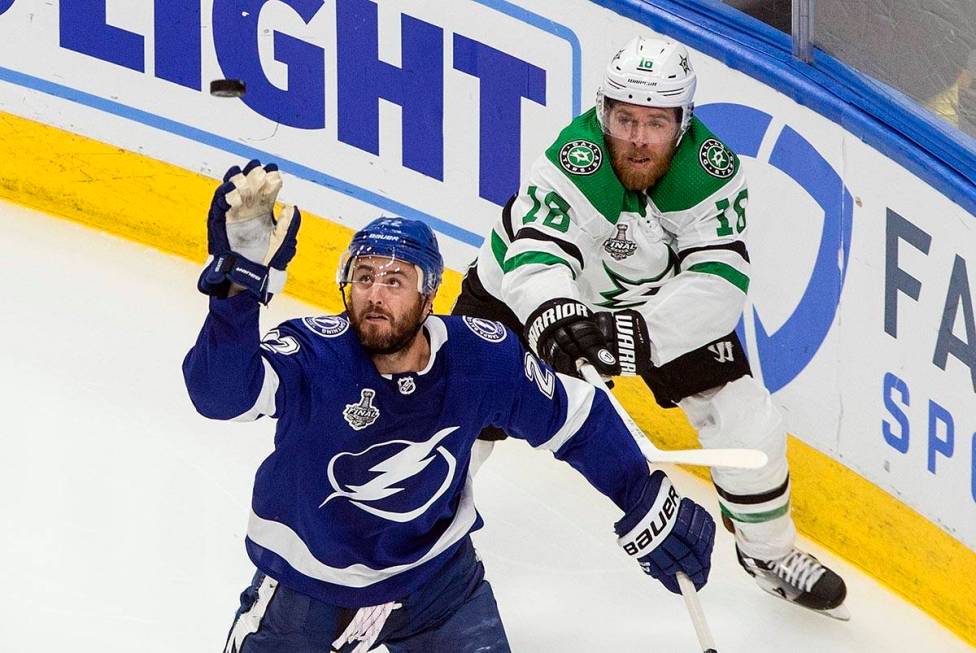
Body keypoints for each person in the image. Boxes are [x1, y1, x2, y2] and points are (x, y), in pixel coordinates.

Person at [183, 160, 716, 652]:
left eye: (395, 281)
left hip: (435, 583)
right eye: (364, 277)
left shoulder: (479, 357)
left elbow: (575, 418)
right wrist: (235, 293)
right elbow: (220, 397)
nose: (375, 294)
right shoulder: (313, 354)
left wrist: (640, 494)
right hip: (308, 590)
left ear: (429, 294)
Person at [451, 36, 849, 618]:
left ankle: (768, 554)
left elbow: (717, 282)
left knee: (746, 420)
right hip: (518, 294)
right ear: (603, 112)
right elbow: (536, 258)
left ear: (683, 123)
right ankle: (413, 545)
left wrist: (633, 335)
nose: (637, 138)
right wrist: (555, 314)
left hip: (649, 304)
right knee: (460, 421)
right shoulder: (575, 158)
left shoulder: (711, 173)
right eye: (625, 118)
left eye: (655, 123)